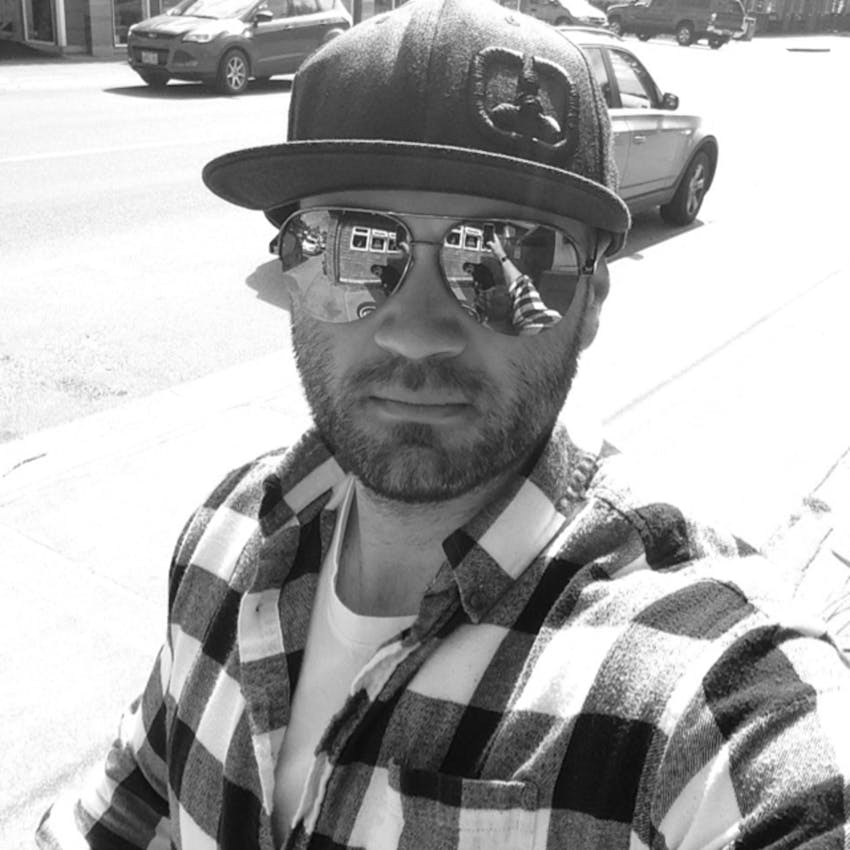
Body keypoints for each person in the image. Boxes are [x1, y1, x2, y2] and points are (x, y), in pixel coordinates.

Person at [37, 0, 850, 848]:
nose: (416, 333)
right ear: (287, 273)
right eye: (350, 245)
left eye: (505, 249)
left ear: (592, 304)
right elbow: (121, 813)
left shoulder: (706, 684)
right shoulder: (225, 535)